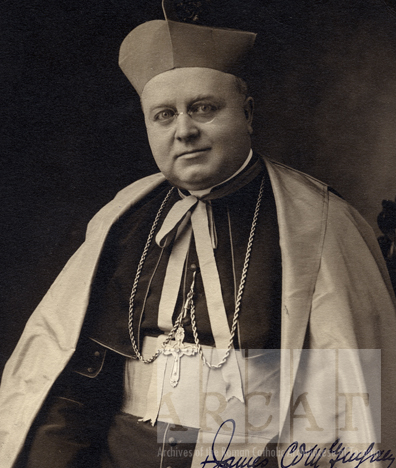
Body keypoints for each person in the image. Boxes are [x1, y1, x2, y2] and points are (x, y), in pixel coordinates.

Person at [1, 2, 396, 467]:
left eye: (203, 108)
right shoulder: (124, 216)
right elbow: (70, 375)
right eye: (164, 115)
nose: (184, 130)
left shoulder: (321, 220)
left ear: (247, 114)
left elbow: (352, 397)